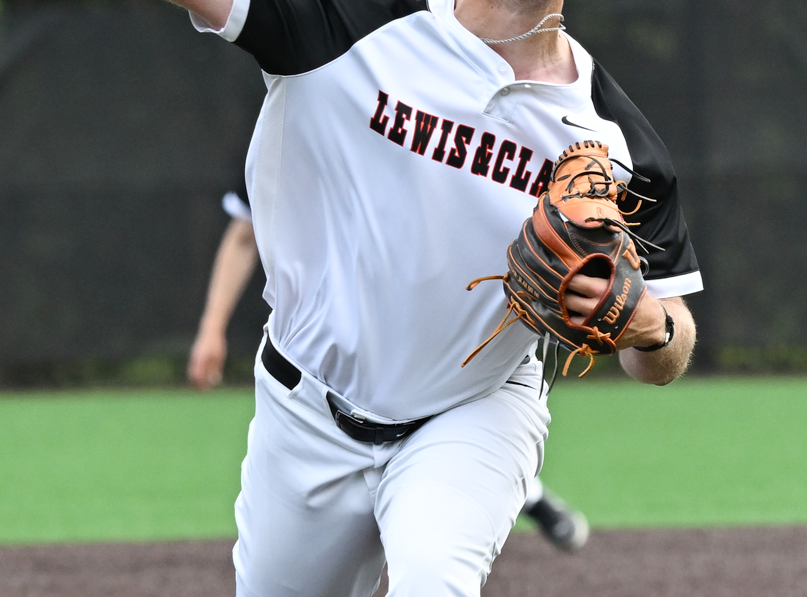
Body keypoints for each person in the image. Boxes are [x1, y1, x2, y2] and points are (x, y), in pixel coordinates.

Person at [20, 0, 701, 597]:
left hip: (473, 411)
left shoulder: (615, 140)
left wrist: (646, 323)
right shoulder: (340, 23)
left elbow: (671, 351)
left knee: (432, 581)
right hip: (307, 411)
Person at [188, 186, 592, 553]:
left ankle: (525, 497)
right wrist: (211, 330)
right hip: (331, 339)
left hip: (431, 328)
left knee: (445, 434)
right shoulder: (294, 121)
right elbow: (245, 233)